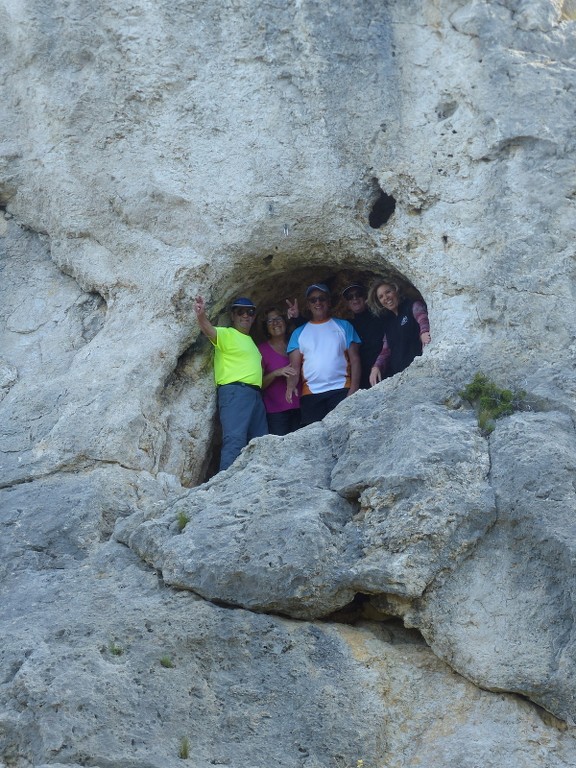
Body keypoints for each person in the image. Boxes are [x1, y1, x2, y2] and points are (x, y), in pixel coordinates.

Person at [194, 295, 268, 471]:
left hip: (255, 395)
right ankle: (225, 485)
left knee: (261, 440)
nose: (245, 316)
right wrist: (201, 315)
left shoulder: (251, 342)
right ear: (233, 316)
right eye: (240, 312)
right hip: (236, 391)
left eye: (249, 312)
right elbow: (208, 330)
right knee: (235, 439)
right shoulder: (227, 334)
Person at [286, 283, 361, 426]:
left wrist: (354, 390)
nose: (318, 302)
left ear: (329, 301)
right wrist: (290, 385)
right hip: (311, 394)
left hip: (341, 390)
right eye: (313, 300)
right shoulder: (298, 333)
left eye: (322, 298)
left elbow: (355, 360)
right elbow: (294, 367)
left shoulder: (344, 326)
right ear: (308, 304)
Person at [367, 280, 431, 386]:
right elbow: (386, 349)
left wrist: (424, 332)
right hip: (400, 377)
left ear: (396, 290)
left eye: (388, 292)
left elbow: (422, 318)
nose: (386, 298)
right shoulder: (388, 321)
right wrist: (376, 366)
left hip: (420, 370)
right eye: (381, 297)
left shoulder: (412, 305)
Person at [258, 307, 301, 435]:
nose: (275, 323)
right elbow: (259, 383)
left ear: (285, 322)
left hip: (301, 406)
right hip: (276, 411)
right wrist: (276, 373)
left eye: (278, 319)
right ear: (266, 328)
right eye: (270, 321)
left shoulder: (297, 343)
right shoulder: (261, 350)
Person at [342, 282, 388, 390]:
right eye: (350, 297)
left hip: (384, 371)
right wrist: (298, 318)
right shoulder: (347, 325)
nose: (355, 299)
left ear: (366, 297)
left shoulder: (381, 316)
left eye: (358, 294)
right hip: (362, 378)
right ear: (347, 304)